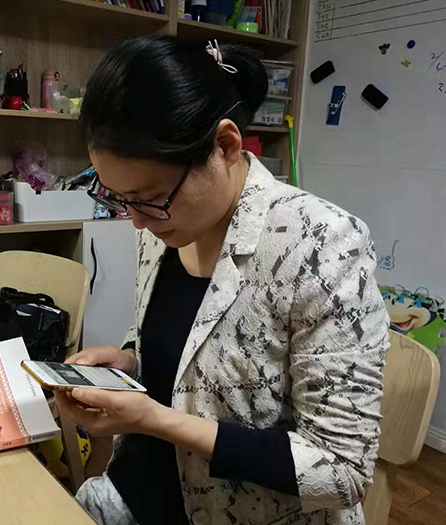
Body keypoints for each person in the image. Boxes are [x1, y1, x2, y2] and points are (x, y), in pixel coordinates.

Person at [55, 35, 390, 525]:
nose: (136, 221)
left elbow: (342, 471)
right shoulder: (163, 226)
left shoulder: (321, 245)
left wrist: (156, 420)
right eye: (119, 198)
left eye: (148, 198)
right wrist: (129, 360)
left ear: (226, 146)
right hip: (135, 492)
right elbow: (190, 346)